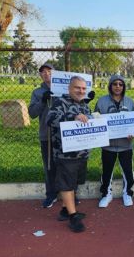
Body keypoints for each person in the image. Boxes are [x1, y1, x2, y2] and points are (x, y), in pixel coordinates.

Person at [47, 76, 91, 233]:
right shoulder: (59, 103)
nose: (81, 91)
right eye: (77, 88)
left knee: (74, 182)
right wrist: (72, 117)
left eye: (84, 88)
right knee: (67, 183)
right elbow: (50, 119)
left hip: (82, 152)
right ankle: (73, 217)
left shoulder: (85, 105)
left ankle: (65, 210)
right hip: (66, 154)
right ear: (69, 88)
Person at [94, 75, 134, 208]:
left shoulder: (129, 102)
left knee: (128, 171)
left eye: (120, 84)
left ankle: (127, 193)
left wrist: (133, 133)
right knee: (107, 171)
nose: (118, 86)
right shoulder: (101, 101)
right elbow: (96, 119)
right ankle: (106, 194)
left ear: (124, 87)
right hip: (108, 145)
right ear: (110, 86)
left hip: (126, 145)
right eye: (115, 84)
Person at [28, 63, 58, 208]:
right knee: (49, 166)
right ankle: (51, 194)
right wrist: (42, 101)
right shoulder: (37, 92)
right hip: (46, 135)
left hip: (64, 135)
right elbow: (32, 113)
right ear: (40, 75)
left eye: (49, 71)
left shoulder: (65, 89)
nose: (46, 74)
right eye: (43, 72)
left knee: (66, 166)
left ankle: (70, 194)